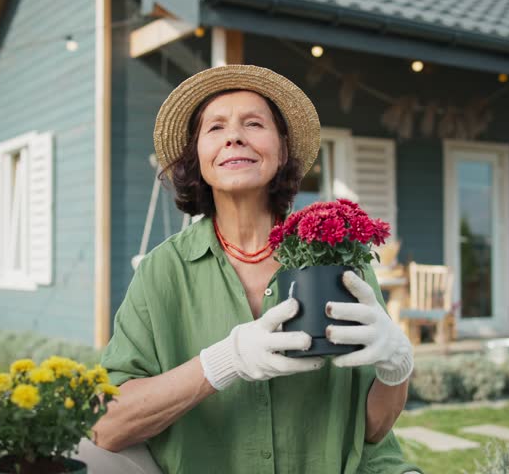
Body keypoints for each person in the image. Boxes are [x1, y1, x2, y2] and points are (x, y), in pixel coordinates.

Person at [92, 64, 421, 474]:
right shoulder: (163, 272)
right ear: (198, 156)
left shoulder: (336, 257)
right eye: (215, 128)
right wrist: (223, 362)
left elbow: (373, 430)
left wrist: (396, 367)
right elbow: (106, 426)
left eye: (253, 123)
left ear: (282, 150)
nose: (234, 136)